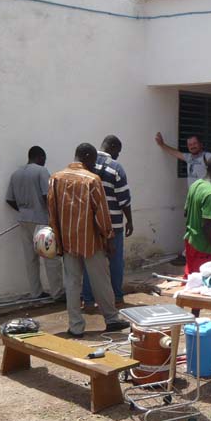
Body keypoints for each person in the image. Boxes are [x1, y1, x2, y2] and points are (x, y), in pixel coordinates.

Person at [47, 143, 129, 337]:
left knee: (73, 284)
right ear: (85, 156)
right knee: (101, 281)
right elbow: (101, 214)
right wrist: (109, 238)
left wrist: (57, 239)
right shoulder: (92, 180)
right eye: (92, 160)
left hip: (67, 242)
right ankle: (111, 319)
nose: (94, 165)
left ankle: (75, 327)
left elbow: (52, 212)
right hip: (91, 242)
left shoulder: (55, 178)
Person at [5, 146, 64, 300]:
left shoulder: (16, 174)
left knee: (30, 259)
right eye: (44, 159)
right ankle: (57, 293)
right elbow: (48, 196)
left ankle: (36, 293)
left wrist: (24, 210)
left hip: (24, 221)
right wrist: (55, 217)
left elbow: (9, 199)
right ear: (40, 157)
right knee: (51, 258)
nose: (45, 162)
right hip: (41, 221)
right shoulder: (41, 171)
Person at [82, 135, 132, 309]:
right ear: (111, 147)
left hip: (91, 225)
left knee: (90, 263)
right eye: (118, 151)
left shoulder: (85, 165)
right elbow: (124, 199)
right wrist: (130, 221)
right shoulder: (116, 168)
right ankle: (117, 297)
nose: (118, 155)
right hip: (113, 224)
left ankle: (87, 300)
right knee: (116, 262)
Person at [155, 132, 211, 265]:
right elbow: (175, 153)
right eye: (189, 144)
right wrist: (162, 145)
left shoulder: (208, 156)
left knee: (203, 226)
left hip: (204, 198)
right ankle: (192, 254)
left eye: (194, 144)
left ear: (200, 144)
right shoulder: (189, 157)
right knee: (193, 226)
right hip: (192, 199)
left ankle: (192, 254)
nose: (192, 146)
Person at [184, 156, 211, 276]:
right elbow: (206, 226)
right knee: (202, 284)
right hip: (202, 246)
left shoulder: (195, 185)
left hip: (190, 240)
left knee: (190, 280)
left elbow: (187, 212)